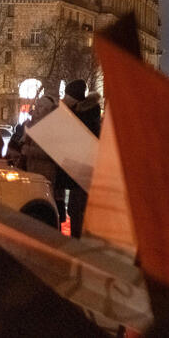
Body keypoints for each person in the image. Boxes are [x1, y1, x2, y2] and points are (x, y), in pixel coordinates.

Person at [62, 79, 101, 238]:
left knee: (77, 207)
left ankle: (78, 240)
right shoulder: (86, 111)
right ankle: (78, 238)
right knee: (76, 207)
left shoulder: (82, 113)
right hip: (83, 165)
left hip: (83, 166)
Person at [20, 94, 66, 222]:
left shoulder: (53, 128)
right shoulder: (30, 124)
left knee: (45, 206)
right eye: (37, 106)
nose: (37, 110)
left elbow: (53, 154)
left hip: (47, 174)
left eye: (42, 107)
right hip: (31, 171)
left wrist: (29, 151)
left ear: (48, 111)